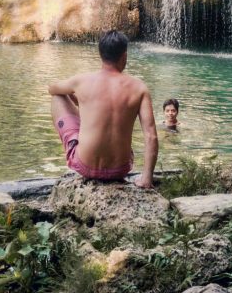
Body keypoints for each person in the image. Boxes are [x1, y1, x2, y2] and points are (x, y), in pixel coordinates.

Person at [48, 31, 158, 188]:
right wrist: (146, 178)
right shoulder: (139, 88)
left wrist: (78, 98)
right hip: (121, 169)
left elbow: (52, 89)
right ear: (124, 56)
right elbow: (151, 136)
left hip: (84, 165)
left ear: (100, 54)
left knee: (58, 97)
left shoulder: (82, 81)